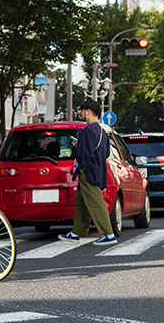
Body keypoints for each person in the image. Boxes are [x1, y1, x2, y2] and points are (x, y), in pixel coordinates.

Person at [59, 99, 117, 246]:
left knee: (96, 202)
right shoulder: (102, 131)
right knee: (81, 201)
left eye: (82, 111)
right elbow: (105, 153)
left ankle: (108, 234)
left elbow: (84, 154)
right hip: (97, 170)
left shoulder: (87, 131)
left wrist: (82, 165)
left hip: (88, 172)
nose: (81, 114)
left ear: (88, 112)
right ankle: (76, 233)